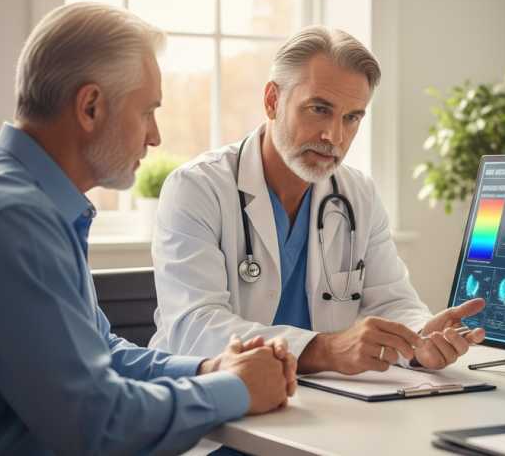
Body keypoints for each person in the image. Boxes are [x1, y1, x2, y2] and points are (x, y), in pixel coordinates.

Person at [0, 2, 296, 455]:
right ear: (90, 106)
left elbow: (101, 354)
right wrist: (239, 389)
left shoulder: (33, 204)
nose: (155, 137)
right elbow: (96, 421)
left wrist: (211, 369)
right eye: (147, 111)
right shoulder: (9, 217)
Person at [150, 25, 486, 376]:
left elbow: (391, 301)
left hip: (316, 400)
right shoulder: (197, 188)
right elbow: (195, 329)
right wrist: (325, 350)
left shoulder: (358, 194)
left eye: (351, 117)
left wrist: (421, 341)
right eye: (318, 109)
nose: (335, 136)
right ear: (272, 101)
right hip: (208, 401)